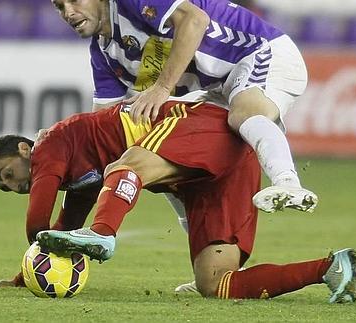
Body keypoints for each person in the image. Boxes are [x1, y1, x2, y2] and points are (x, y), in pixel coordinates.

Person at [0, 100, 356, 303]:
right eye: (5, 188)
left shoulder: (51, 143)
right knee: (216, 285)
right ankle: (331, 269)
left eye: (8, 174)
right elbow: (60, 231)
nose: (15, 186)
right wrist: (24, 278)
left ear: (25, 149)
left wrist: (37, 243)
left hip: (201, 126)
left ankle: (104, 234)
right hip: (220, 171)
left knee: (126, 165)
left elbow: (39, 222)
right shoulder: (76, 178)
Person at [49, 0, 317, 213]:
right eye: (59, 6)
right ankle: (211, 262)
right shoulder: (103, 55)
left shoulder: (130, 3)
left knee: (243, 114)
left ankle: (288, 184)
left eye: (74, 0)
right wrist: (66, 156)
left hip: (258, 52)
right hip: (217, 87)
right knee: (162, 152)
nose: (68, 12)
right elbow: (104, 128)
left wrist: (162, 88)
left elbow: (195, 19)